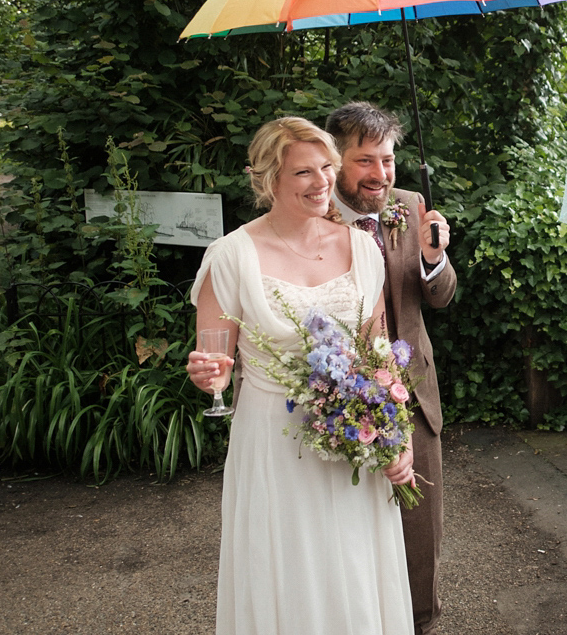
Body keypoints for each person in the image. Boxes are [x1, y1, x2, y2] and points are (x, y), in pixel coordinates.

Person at [186, 117, 415, 634]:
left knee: (355, 570)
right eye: (303, 172)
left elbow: (377, 354)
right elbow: (212, 359)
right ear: (269, 179)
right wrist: (209, 375)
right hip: (275, 444)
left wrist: (397, 437)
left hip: (355, 439)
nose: (321, 182)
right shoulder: (231, 257)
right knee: (289, 570)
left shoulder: (360, 248)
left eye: (327, 168)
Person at [324, 102, 456, 635]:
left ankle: (421, 623)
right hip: (339, 400)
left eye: (388, 160)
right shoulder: (315, 215)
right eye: (365, 161)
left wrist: (433, 257)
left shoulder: (410, 206)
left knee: (420, 534)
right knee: (347, 534)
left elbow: (441, 298)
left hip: (415, 397)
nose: (380, 175)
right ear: (334, 162)